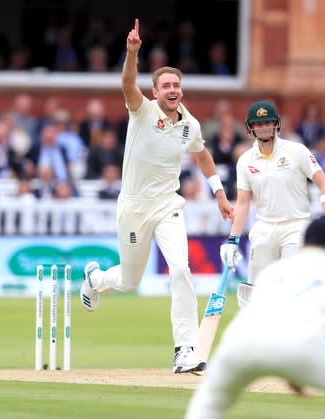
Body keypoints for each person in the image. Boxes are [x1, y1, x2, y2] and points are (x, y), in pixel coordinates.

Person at [80, 19, 233, 375]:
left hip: (168, 206)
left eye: (176, 84)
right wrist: (133, 52)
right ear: (156, 91)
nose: (172, 89)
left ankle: (185, 351)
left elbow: (203, 156)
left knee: (180, 269)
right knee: (131, 280)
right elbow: (126, 82)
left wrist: (220, 194)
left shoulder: (190, 125)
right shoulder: (142, 110)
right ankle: (96, 280)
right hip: (134, 208)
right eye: (165, 85)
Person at [186, 216, 325, 419]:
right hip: (300, 349)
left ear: (303, 243)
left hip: (237, 344)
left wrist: (293, 369)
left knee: (209, 402)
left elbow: (269, 321)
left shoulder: (272, 271)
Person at [220, 100, 325, 302]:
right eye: (258, 123)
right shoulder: (245, 160)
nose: (264, 127)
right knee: (254, 291)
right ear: (251, 127)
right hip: (264, 228)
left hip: (296, 226)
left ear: (276, 124)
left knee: (293, 287)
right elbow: (243, 203)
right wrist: (232, 240)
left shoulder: (296, 151)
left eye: (268, 122)